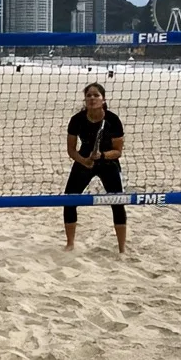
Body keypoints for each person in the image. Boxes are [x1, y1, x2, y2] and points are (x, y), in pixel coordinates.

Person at [63, 82, 126, 253]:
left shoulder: (113, 120)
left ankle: (121, 248)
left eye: (96, 95)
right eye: (89, 95)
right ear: (85, 99)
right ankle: (70, 244)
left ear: (103, 99)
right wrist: (84, 161)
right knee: (69, 200)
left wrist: (103, 156)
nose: (92, 98)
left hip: (108, 163)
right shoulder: (77, 119)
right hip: (84, 160)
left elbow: (118, 151)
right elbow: (71, 149)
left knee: (118, 202)